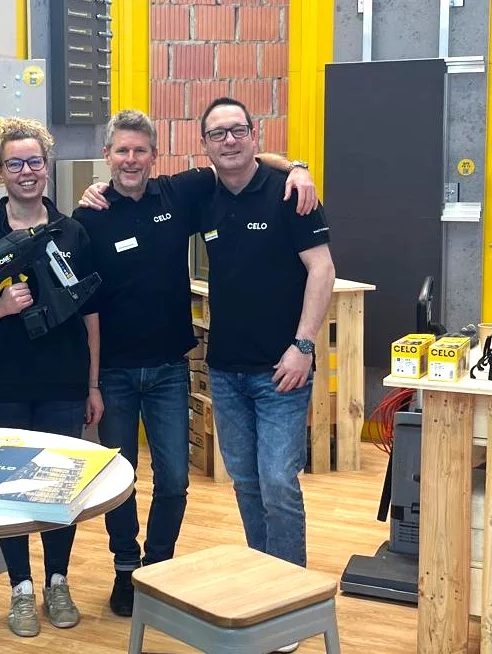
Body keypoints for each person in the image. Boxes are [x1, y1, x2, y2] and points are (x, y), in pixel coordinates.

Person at [73, 109, 316, 617]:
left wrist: (298, 166)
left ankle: (158, 566)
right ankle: (126, 568)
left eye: (141, 150)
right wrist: (90, 381)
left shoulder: (180, 194)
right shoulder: (89, 216)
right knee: (119, 479)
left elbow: (241, 160)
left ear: (154, 155)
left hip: (168, 369)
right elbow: (86, 308)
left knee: (175, 481)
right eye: (122, 150)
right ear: (107, 155)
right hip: (114, 373)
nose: (131, 159)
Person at [0, 117, 102, 638]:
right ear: (0, 171)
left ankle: (57, 581)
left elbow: (91, 315)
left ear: (47, 166)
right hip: (0, 383)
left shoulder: (73, 232)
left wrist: (92, 385)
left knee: (59, 485)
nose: (26, 171)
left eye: (34, 161)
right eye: (15, 163)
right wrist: (0, 307)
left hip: (63, 382)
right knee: (10, 487)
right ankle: (20, 587)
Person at [199, 95, 334, 654]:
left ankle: (292, 604)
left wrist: (303, 345)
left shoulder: (289, 192)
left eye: (238, 130)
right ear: (205, 145)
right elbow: (137, 185)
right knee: (247, 482)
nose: (229, 140)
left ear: (255, 135)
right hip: (226, 369)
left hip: (283, 370)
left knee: (278, 482)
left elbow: (322, 269)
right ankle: (264, 588)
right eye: (218, 133)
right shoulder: (202, 195)